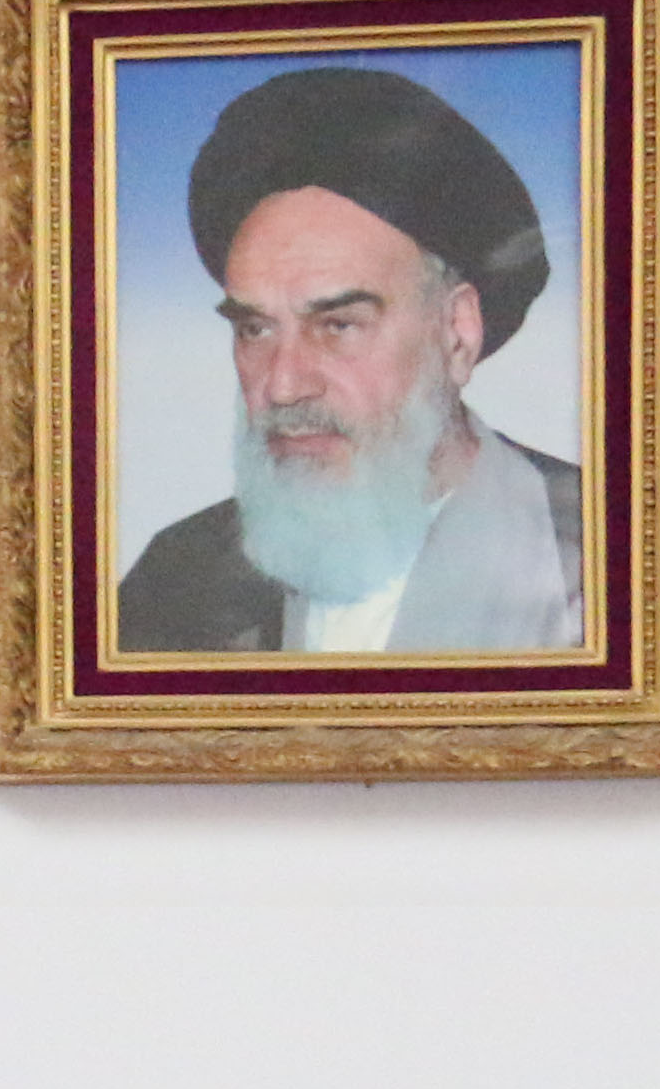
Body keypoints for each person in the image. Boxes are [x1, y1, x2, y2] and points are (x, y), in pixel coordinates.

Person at [115, 65, 585, 657]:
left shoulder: (610, 566)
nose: (283, 385)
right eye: (255, 329)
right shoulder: (175, 582)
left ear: (456, 334)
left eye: (337, 326)